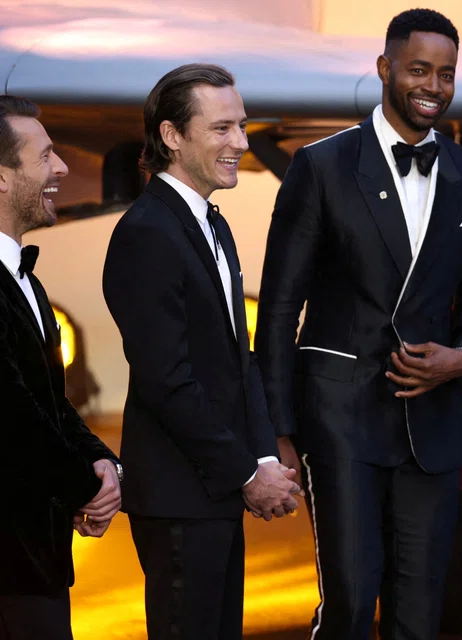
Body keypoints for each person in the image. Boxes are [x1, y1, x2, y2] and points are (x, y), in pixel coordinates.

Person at [255, 8, 462, 640]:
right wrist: (278, 432)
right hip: (342, 422)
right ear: (385, 68)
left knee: (420, 615)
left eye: (446, 74)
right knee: (350, 603)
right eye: (419, 69)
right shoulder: (322, 166)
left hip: (433, 424)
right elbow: (281, 309)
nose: (434, 86)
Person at [102, 64, 301, 640]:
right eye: (222, 128)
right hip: (178, 497)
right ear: (171, 136)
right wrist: (246, 473)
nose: (241, 142)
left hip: (209, 493)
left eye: (241, 126)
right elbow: (169, 382)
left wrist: (263, 456)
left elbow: (238, 362)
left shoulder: (209, 223)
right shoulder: (147, 232)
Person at [0, 94, 122, 640]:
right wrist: (84, 488)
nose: (64, 168)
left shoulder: (26, 279)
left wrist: (100, 461)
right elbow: (9, 414)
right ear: (2, 178)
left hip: (36, 556)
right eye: (44, 156)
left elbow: (49, 401)